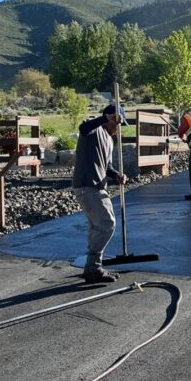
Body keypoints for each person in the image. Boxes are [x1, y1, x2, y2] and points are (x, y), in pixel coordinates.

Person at [72, 103, 128, 284]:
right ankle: (93, 267)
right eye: (117, 122)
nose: (118, 127)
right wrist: (106, 118)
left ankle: (92, 267)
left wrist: (116, 175)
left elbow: (107, 167)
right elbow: (83, 128)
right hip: (87, 185)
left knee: (97, 226)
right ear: (111, 118)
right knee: (106, 223)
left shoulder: (109, 140)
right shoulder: (94, 130)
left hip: (98, 186)